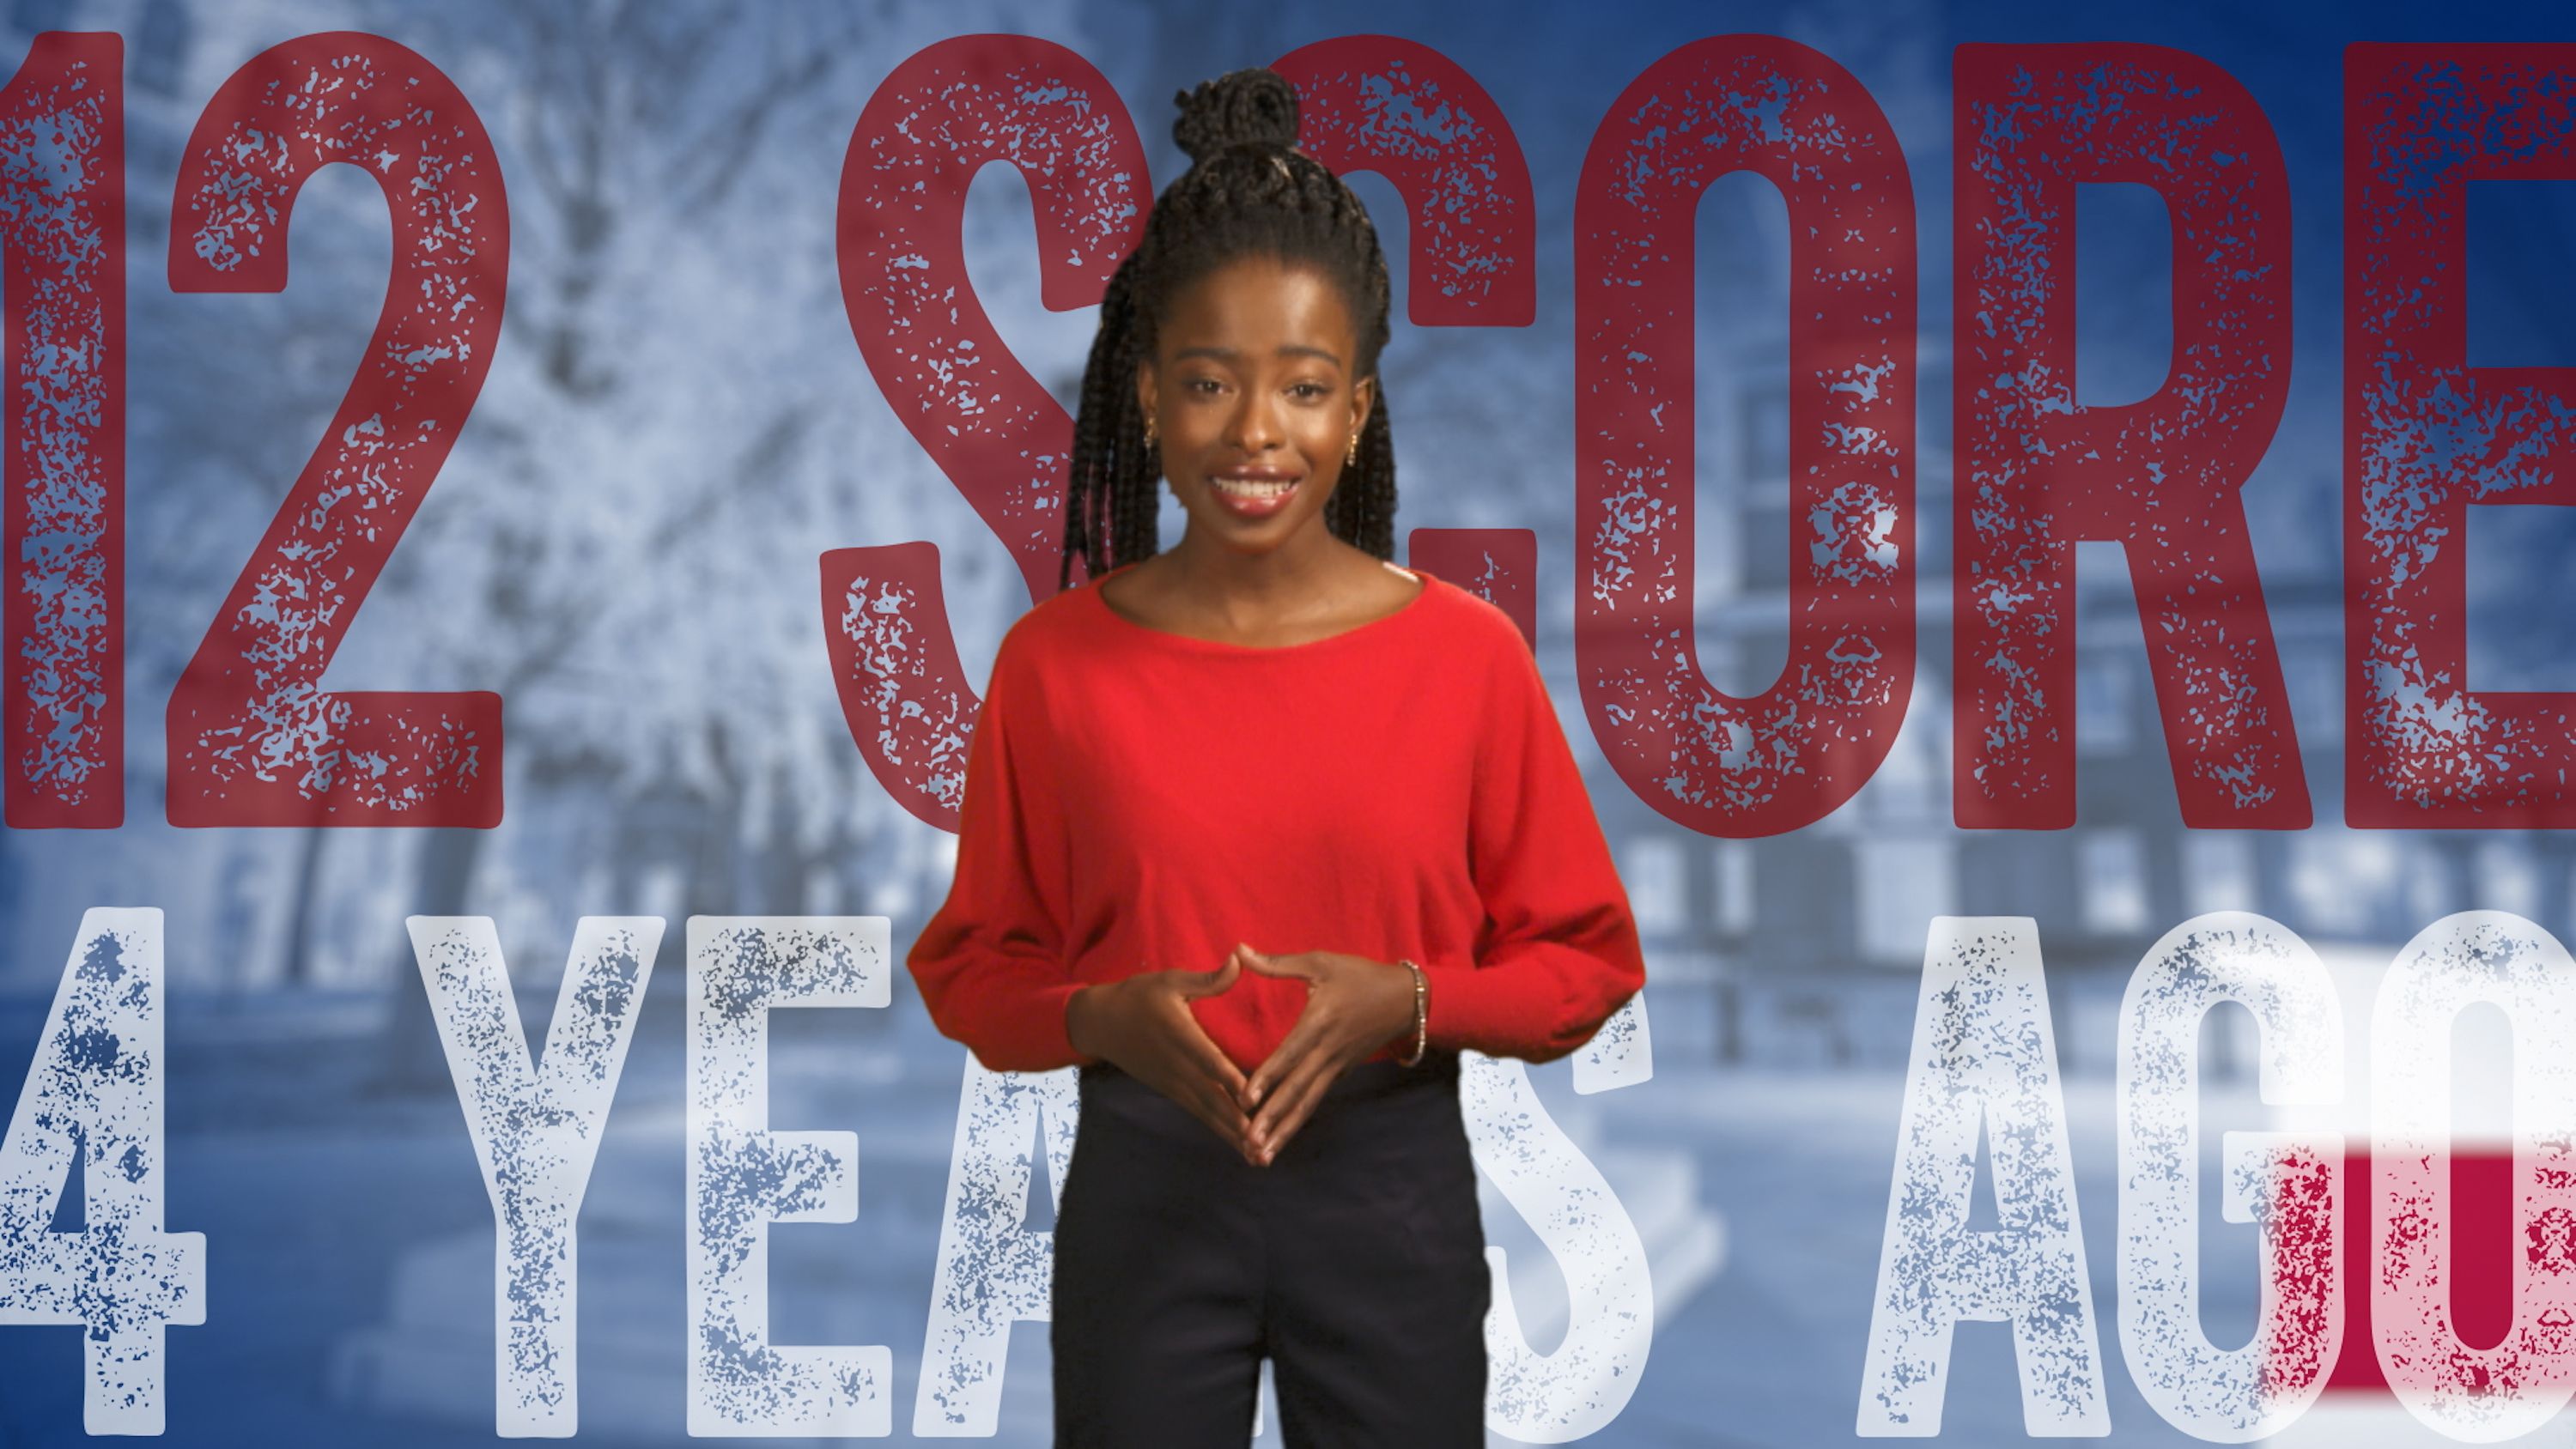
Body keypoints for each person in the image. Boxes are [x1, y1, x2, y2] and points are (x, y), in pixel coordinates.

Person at [904, 65, 1646, 1448]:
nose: (1257, 432)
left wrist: (1405, 1002)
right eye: (1208, 382)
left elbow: (1587, 964)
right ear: (1145, 401)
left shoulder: (1467, 660)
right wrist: (1100, 1019)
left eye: (1304, 388)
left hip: (1392, 1197)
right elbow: (974, 965)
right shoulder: (1054, 665)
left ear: (1356, 414)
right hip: (1142, 1196)